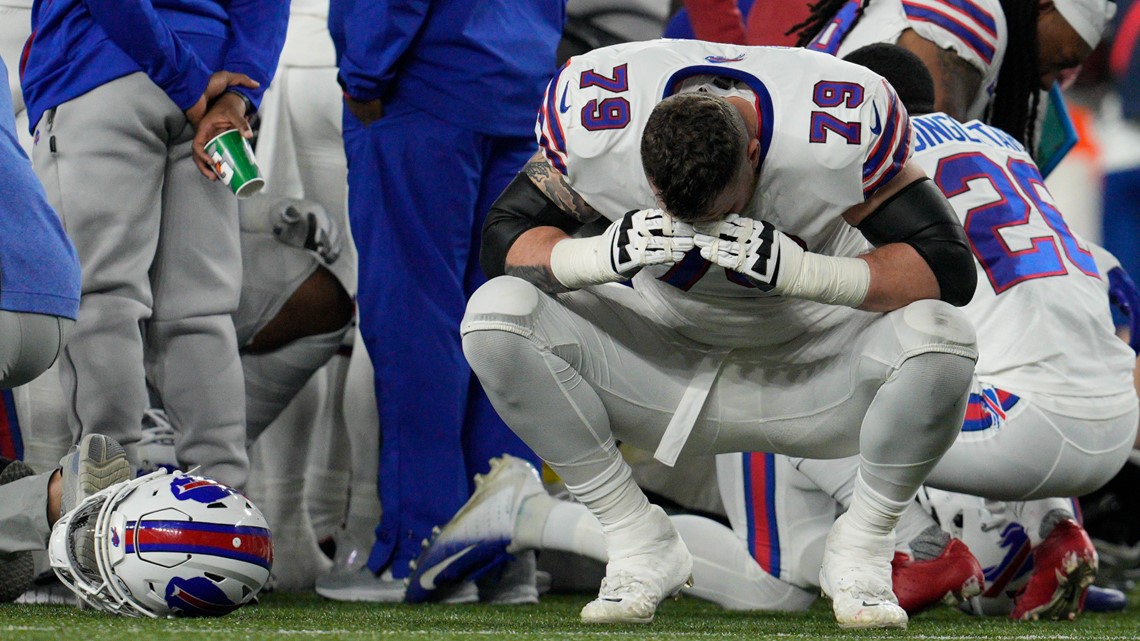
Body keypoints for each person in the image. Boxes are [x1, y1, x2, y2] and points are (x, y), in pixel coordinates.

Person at [456, 37, 981, 628]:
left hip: (813, 362)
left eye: (719, 208)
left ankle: (864, 549)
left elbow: (948, 267)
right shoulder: (604, 117)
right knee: (496, 314)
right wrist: (597, 256)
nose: (697, 227)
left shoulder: (833, 125)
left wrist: (807, 272)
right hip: (657, 358)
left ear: (757, 154)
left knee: (943, 335)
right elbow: (503, 238)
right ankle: (634, 536)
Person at [730, 41, 1137, 622]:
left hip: (1018, 430)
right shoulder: (1003, 144)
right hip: (1115, 421)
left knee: (789, 401)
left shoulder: (869, 158)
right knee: (988, 354)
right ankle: (1056, 529)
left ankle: (919, 548)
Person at [315, 0, 567, 603]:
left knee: (416, 321)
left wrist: (366, 73)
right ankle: (504, 556)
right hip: (522, 87)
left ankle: (424, 550)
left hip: (421, 86)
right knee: (507, 325)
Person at [20, 0, 289, 490]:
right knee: (200, 315)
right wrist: (236, 93)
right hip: (211, 85)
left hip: (106, 64)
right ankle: (224, 519)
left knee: (104, 304)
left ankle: (103, 518)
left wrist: (181, 73)